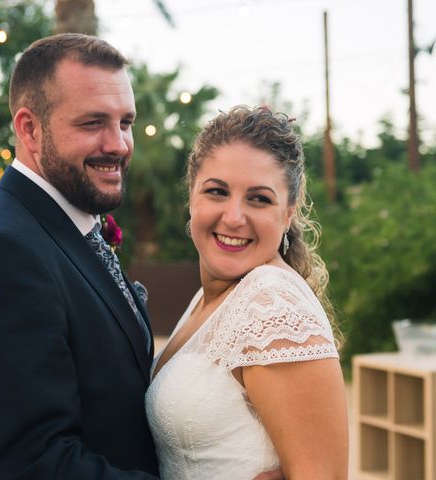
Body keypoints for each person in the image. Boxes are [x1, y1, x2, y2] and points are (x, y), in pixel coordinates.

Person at [0, 34, 159, 479]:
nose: (119, 144)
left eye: (125, 122)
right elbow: (34, 465)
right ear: (29, 129)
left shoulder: (67, 226)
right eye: (93, 123)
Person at [145, 106, 349, 479]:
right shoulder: (213, 298)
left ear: (288, 213)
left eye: (258, 199)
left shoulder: (269, 301)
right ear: (192, 197)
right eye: (217, 192)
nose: (234, 216)